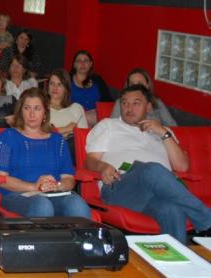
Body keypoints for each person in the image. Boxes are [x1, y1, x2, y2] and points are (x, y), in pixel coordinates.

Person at [85, 85, 211, 243]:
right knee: (151, 169)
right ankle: (207, 220)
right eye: (125, 103)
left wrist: (163, 133)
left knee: (172, 210)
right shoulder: (108, 125)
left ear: (149, 106)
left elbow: (182, 167)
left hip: (156, 193)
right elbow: (90, 160)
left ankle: (176, 264)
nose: (129, 108)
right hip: (120, 187)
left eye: (136, 103)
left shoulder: (162, 131)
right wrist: (102, 167)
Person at [0, 88, 91, 219]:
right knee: (43, 206)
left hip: (52, 194)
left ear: (45, 113)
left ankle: (80, 240)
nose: (32, 114)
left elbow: (69, 179)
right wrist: (34, 186)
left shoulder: (57, 140)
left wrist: (57, 186)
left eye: (37, 109)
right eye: (27, 108)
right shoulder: (8, 137)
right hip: (18, 195)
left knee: (77, 204)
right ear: (20, 111)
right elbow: (0, 179)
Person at [110, 68, 177, 126]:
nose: (136, 87)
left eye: (140, 84)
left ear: (147, 85)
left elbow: (173, 126)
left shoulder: (157, 102)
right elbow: (112, 125)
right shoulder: (120, 102)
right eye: (132, 84)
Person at [46, 69, 87, 160]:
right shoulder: (40, 108)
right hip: (49, 149)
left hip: (72, 149)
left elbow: (83, 139)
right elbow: (39, 133)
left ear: (66, 88)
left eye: (59, 84)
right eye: (52, 83)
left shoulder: (76, 108)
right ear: (47, 87)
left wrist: (55, 130)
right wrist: (66, 129)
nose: (55, 87)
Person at [70, 50, 112, 125]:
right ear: (74, 65)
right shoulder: (67, 80)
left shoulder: (98, 80)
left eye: (86, 61)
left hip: (96, 118)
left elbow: (107, 101)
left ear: (91, 64)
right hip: (75, 118)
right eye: (79, 61)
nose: (82, 64)